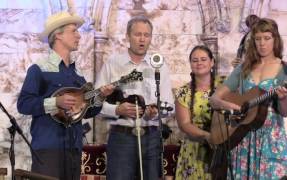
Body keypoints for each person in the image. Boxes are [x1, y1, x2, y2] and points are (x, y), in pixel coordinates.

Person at [17, 11, 114, 179]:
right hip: (48, 148)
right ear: (58, 35)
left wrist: (100, 98)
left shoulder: (77, 74)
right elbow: (24, 104)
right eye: (73, 31)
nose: (79, 36)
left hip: (74, 147)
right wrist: (55, 102)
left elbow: (87, 112)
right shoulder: (38, 69)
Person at [210, 18, 287, 179]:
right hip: (243, 139)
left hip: (271, 140)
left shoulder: (286, 70)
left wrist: (283, 99)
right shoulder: (243, 68)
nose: (262, 43)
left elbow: (285, 112)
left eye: (267, 38)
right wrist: (232, 107)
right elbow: (214, 99)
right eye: (258, 39)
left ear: (275, 39)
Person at [95, 16, 174, 180]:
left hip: (152, 137)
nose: (142, 39)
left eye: (147, 35)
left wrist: (157, 112)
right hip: (121, 137)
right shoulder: (113, 63)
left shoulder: (159, 66)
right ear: (128, 36)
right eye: (138, 34)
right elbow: (94, 103)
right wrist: (116, 109)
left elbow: (169, 105)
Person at [174, 45, 221, 179]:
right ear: (190, 64)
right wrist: (207, 136)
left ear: (212, 62)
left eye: (203, 59)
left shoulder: (224, 85)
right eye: (195, 60)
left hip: (222, 149)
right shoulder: (183, 92)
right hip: (194, 150)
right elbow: (184, 124)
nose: (199, 63)